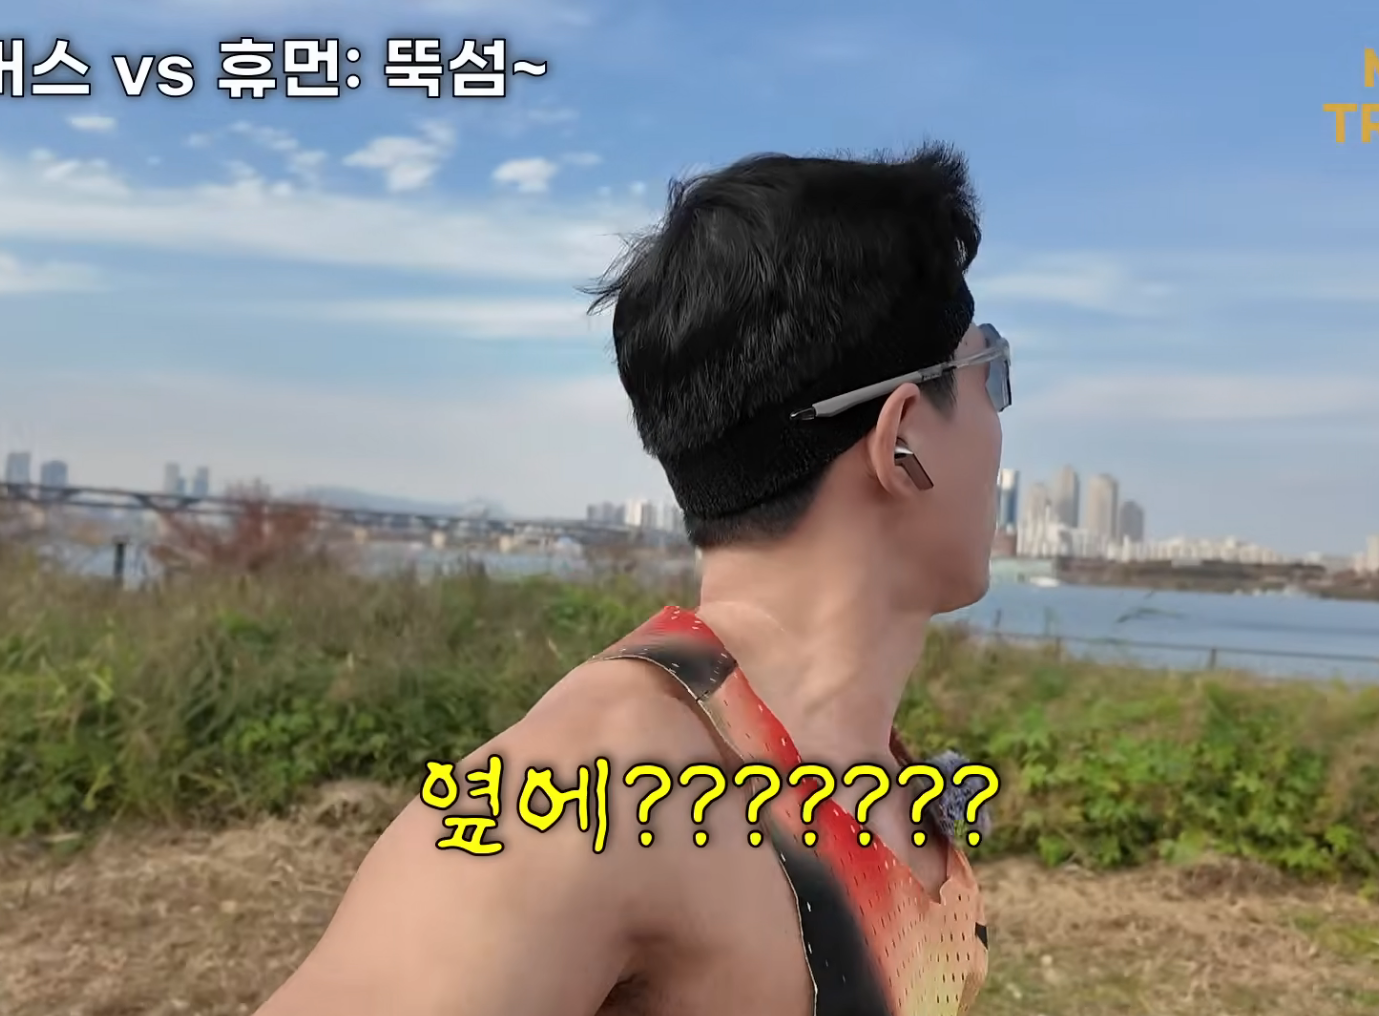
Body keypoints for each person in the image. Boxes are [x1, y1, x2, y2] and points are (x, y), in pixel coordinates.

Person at [254, 142, 1012, 1016]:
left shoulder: (859, 759)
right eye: (986, 370)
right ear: (902, 437)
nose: (1000, 419)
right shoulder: (592, 790)